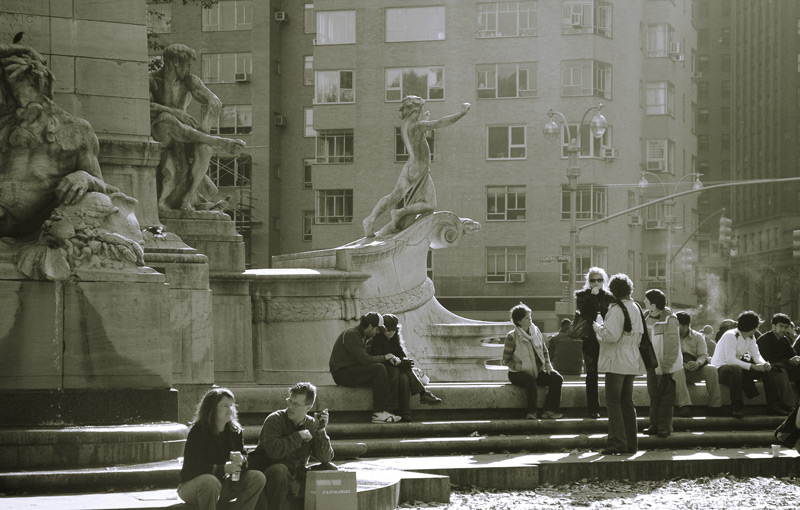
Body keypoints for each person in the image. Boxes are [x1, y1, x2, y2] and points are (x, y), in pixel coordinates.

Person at [0, 44, 119, 238]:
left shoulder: (77, 131)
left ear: (43, 87)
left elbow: (104, 186)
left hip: (33, 221)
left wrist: (85, 177)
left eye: (25, 91)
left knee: (96, 202)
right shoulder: (7, 126)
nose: (20, 103)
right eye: (14, 94)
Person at [149, 43, 245, 212]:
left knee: (205, 149)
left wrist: (204, 129)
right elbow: (148, 107)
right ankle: (219, 141)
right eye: (188, 64)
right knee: (167, 119)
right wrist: (177, 112)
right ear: (175, 62)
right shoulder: (153, 80)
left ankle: (188, 198)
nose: (189, 68)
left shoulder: (189, 81)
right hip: (160, 133)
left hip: (185, 134)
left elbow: (215, 102)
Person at [362, 96, 470, 237]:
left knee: (394, 196)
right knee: (431, 205)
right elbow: (440, 122)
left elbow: (417, 141)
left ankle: (370, 219)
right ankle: (400, 212)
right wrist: (461, 113)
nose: (423, 111)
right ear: (415, 110)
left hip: (410, 166)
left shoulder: (406, 124)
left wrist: (423, 119)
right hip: (420, 169)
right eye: (421, 109)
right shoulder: (417, 126)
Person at [249, 382, 335, 510]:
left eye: (295, 404)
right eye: (289, 401)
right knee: (280, 470)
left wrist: (321, 431)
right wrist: (298, 436)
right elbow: (274, 452)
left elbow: (325, 458)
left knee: (330, 469)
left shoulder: (311, 424)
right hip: (272, 476)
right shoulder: (274, 420)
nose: (290, 406)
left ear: (308, 407)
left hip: (297, 476)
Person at [177, 388, 266, 510]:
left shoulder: (235, 431)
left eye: (231, 405)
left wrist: (242, 460)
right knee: (210, 482)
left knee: (257, 477)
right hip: (192, 487)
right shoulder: (199, 431)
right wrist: (223, 469)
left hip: (222, 485)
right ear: (212, 409)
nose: (230, 409)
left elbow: (244, 457)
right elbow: (193, 466)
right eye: (225, 406)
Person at [592, 273, 644, 455]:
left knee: (613, 402)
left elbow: (612, 336)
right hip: (631, 360)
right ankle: (631, 443)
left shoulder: (616, 309)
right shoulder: (636, 307)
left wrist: (598, 327)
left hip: (616, 361)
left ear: (613, 291)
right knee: (627, 402)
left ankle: (616, 443)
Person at [329, 312, 402, 423]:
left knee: (391, 371)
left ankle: (387, 410)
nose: (377, 333)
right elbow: (365, 360)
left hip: (351, 370)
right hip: (342, 374)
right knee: (379, 369)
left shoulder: (361, 335)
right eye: (377, 330)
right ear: (370, 326)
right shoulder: (352, 334)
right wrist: (385, 357)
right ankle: (378, 413)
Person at [366, 314, 441, 422]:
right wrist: (399, 363)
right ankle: (423, 393)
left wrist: (405, 362)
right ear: (382, 329)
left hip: (394, 370)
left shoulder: (395, 339)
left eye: (393, 330)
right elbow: (378, 361)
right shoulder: (376, 340)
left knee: (404, 378)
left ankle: (405, 413)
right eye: (388, 330)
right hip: (381, 372)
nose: (391, 332)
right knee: (397, 372)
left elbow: (401, 356)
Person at [710, 311, 779, 418]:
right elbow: (731, 360)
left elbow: (757, 356)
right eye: (756, 327)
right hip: (721, 369)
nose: (756, 330)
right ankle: (736, 406)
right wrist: (753, 367)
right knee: (736, 369)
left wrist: (764, 364)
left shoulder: (751, 338)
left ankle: (773, 405)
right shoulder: (730, 336)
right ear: (751, 328)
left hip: (738, 368)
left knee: (767, 370)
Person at [503, 303, 563, 420]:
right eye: (526, 317)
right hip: (517, 373)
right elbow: (506, 360)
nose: (530, 319)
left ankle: (549, 410)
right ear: (519, 321)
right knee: (530, 381)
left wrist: (548, 366)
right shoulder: (512, 337)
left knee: (557, 378)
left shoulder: (536, 331)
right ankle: (532, 412)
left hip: (537, 370)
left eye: (530, 316)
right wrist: (521, 367)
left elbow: (544, 351)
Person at [574, 267, 615, 419]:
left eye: (599, 280)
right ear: (588, 282)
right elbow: (585, 314)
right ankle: (593, 409)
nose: (596, 283)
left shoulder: (610, 297)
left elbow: (611, 316)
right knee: (592, 374)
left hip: (608, 338)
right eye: (593, 280)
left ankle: (612, 407)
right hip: (590, 338)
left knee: (611, 372)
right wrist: (592, 297)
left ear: (604, 281)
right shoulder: (582, 296)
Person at [641, 289, 682, 437]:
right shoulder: (645, 316)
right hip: (651, 363)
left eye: (646, 300)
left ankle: (664, 427)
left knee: (666, 396)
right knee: (653, 394)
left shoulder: (670, 319)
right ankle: (654, 425)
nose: (644, 302)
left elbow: (672, 344)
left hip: (665, 365)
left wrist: (666, 364)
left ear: (653, 304)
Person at [676, 312, 722, 412]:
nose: (673, 327)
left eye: (676, 325)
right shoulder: (671, 337)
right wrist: (683, 365)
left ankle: (716, 406)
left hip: (695, 370)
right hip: (678, 373)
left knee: (711, 369)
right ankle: (685, 405)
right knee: (677, 369)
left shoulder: (698, 337)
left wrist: (698, 363)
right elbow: (670, 357)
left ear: (684, 326)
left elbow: (703, 355)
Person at [757, 313, 800, 412]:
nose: (784, 330)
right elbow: (766, 360)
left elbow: (792, 355)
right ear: (773, 326)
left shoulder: (784, 340)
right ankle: (790, 405)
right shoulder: (764, 339)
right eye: (781, 326)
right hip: (767, 370)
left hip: (784, 368)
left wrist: (796, 359)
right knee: (780, 370)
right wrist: (789, 361)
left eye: (786, 327)